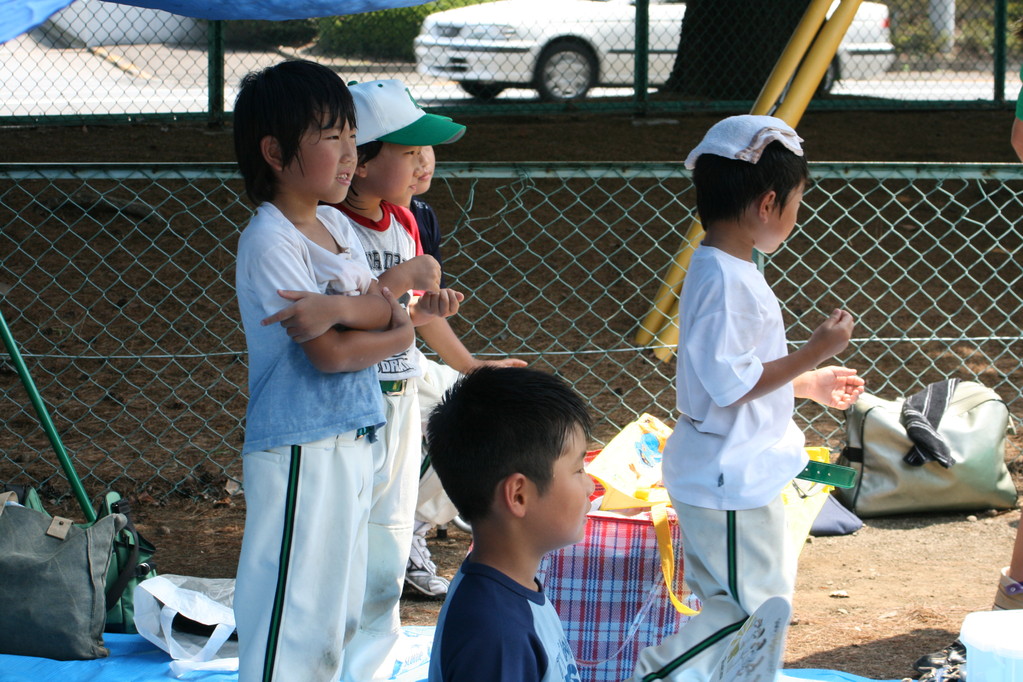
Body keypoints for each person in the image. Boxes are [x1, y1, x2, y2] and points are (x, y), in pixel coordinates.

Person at [629, 115, 866, 682]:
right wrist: (815, 350)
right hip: (728, 480)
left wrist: (809, 382)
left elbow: (735, 375)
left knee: (748, 605)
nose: (796, 215)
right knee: (750, 612)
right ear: (767, 204)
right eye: (796, 201)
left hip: (733, 471)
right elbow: (732, 384)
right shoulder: (727, 281)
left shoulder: (728, 268)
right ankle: (658, 673)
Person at [230, 60, 415, 682]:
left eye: (350, 136)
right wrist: (386, 323)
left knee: (338, 607)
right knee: (295, 611)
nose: (349, 153)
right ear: (276, 152)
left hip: (354, 433)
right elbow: (331, 353)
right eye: (331, 137)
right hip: (300, 444)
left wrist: (348, 311)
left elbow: (383, 308)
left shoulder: (336, 224)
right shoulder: (270, 240)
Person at [405, 144, 527, 599]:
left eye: (426, 149)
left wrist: (475, 369)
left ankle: (410, 530)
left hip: (403, 360)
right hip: (360, 372)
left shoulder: (418, 214)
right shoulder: (338, 218)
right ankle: (390, 536)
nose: (423, 161)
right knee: (458, 420)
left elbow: (420, 309)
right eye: (407, 150)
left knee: (495, 407)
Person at [425, 366, 592, 682]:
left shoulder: (507, 590)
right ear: (518, 495)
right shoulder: (496, 635)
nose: (591, 486)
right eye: (579, 469)